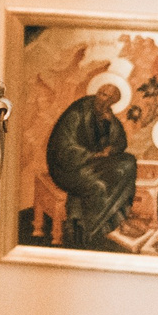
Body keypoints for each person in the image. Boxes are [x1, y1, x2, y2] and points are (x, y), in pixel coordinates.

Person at [46, 84, 137, 250]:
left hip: (92, 164)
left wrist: (112, 125)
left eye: (110, 99)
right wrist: (92, 155)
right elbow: (63, 148)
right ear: (97, 93)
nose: (104, 99)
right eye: (102, 94)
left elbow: (121, 144)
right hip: (67, 168)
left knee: (129, 162)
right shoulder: (77, 114)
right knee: (100, 186)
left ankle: (116, 220)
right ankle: (91, 231)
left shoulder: (105, 114)